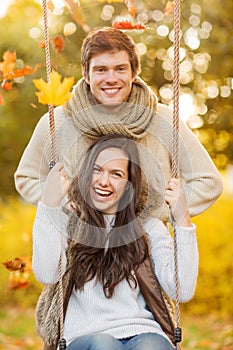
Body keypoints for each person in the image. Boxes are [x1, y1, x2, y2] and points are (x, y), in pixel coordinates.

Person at [15, 27, 222, 222]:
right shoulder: (57, 122)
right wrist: (63, 204)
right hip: (78, 251)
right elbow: (27, 177)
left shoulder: (164, 120)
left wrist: (161, 211)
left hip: (150, 251)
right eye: (101, 70)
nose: (111, 78)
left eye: (120, 69)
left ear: (133, 73)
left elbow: (208, 181)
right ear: (86, 75)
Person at [32, 134, 198, 350]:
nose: (103, 181)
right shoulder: (69, 222)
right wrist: (49, 205)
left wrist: (183, 219)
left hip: (143, 332)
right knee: (104, 345)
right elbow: (46, 273)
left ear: (129, 184)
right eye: (97, 170)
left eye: (116, 174)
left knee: (152, 347)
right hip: (84, 338)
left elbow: (182, 291)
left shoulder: (147, 229)